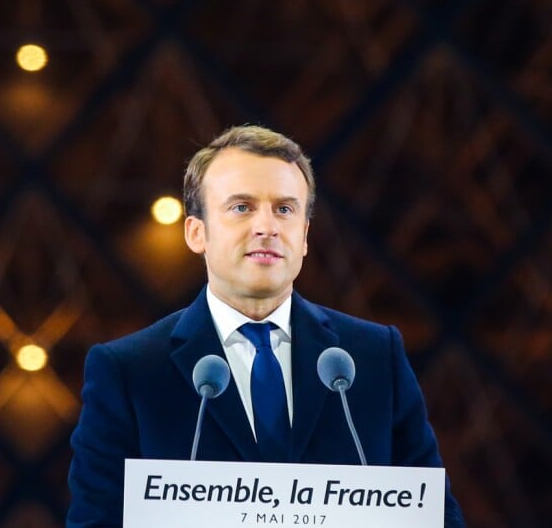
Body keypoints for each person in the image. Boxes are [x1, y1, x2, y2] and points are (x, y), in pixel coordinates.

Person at [67, 125, 465, 526]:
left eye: (285, 209)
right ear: (196, 232)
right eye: (242, 207)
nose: (267, 227)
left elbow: (437, 518)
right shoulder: (129, 371)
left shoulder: (373, 357)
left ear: (305, 236)